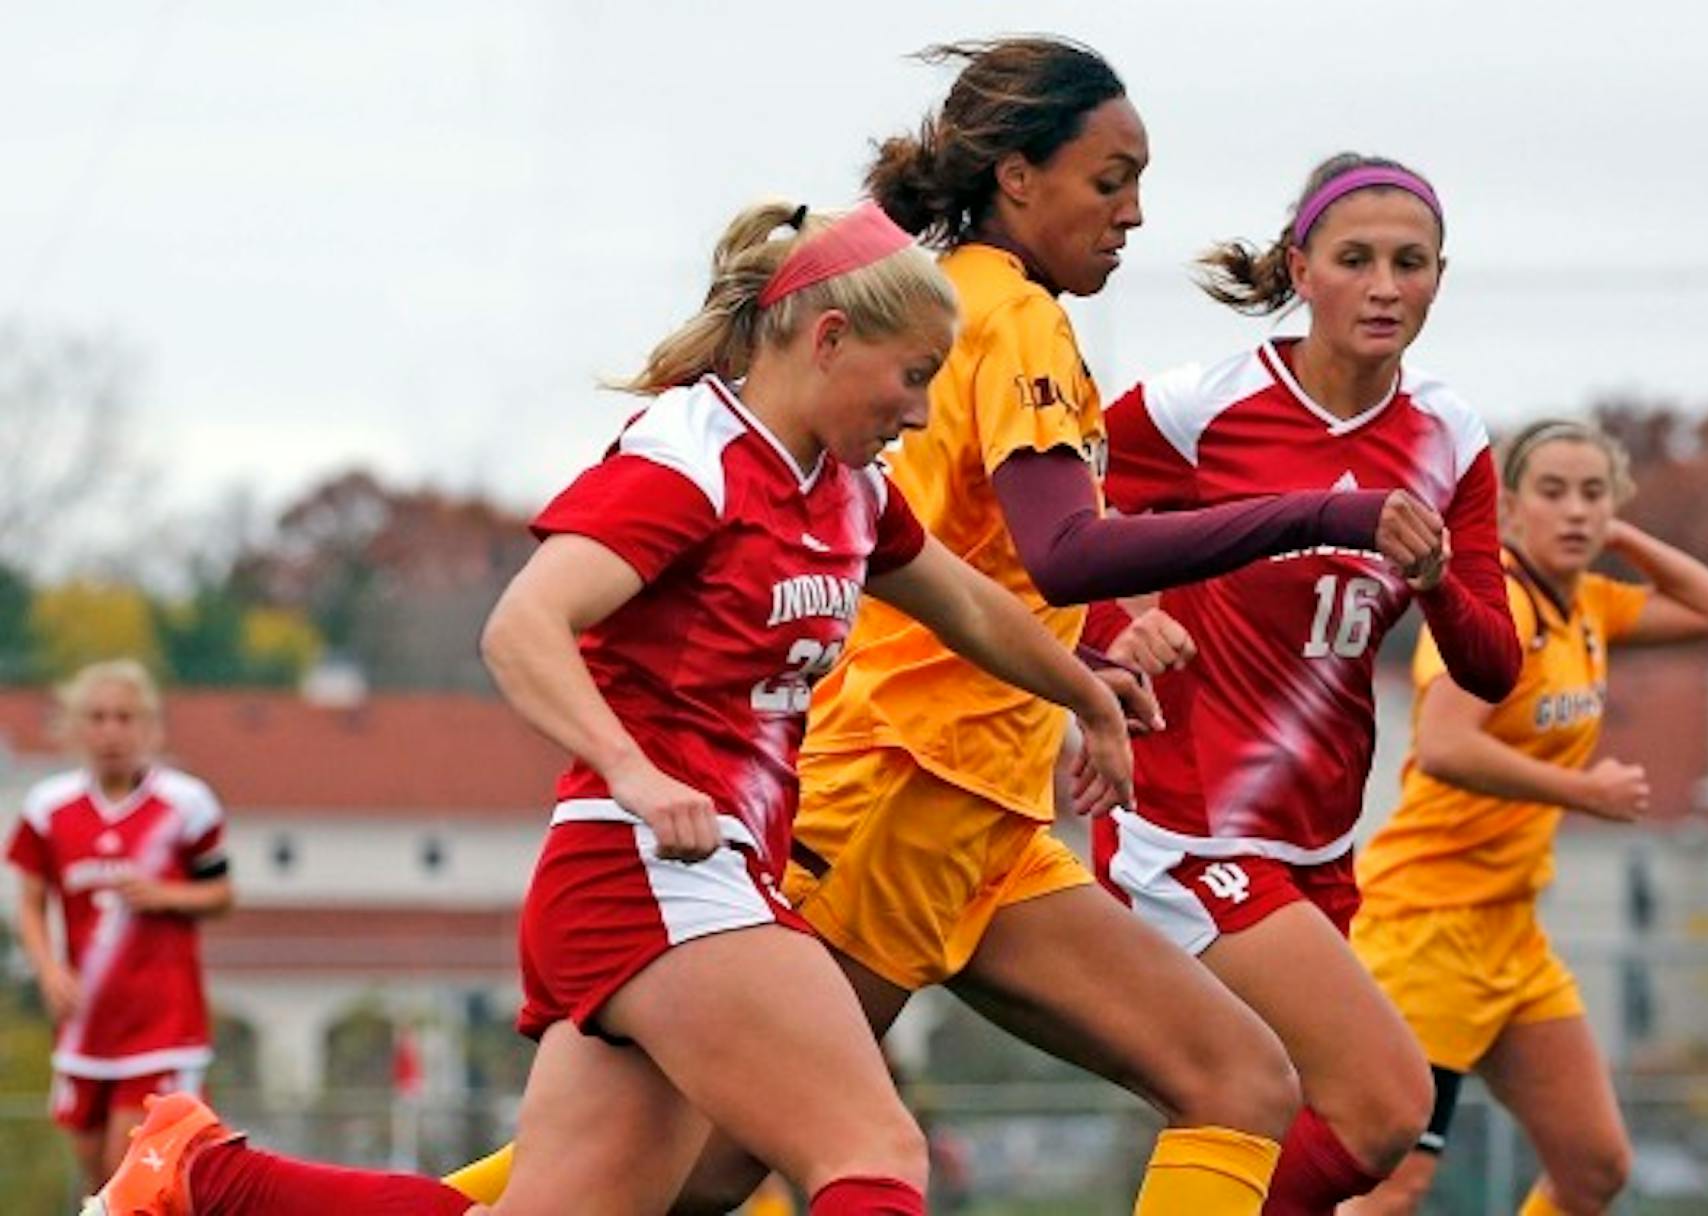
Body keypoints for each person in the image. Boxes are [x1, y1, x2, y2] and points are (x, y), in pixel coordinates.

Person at [447, 38, 1454, 1216]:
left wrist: (1083, 674)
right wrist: (1318, 520)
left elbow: (969, 568)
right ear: (1018, 176)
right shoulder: (1003, 316)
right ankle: (226, 1183)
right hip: (903, 790)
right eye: (1111, 179)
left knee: (1237, 1079)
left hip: (988, 807)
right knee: (680, 1177)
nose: (1135, 214)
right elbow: (1059, 550)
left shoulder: (945, 306)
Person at [88, 196, 1148, 1216]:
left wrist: (1084, 697)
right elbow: (521, 628)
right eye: (912, 377)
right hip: (650, 872)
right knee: (872, 1149)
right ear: (827, 339)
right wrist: (636, 772)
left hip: (684, 879)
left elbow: (969, 604)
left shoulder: (847, 487)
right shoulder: (690, 459)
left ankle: (200, 1177)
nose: (919, 409)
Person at [1086, 152, 1521, 1215]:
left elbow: (1494, 665)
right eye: (1357, 259)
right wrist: (1115, 632)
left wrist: (1437, 585)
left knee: (1279, 1121)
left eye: (1410, 263)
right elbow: (1047, 526)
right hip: (1189, 830)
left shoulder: (1449, 435)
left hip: (1318, 840)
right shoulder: (1204, 406)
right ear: (1302, 270)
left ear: (1440, 279)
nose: (1385, 286)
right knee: (1384, 1106)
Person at [1345, 418, 1708, 1216]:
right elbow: (1445, 747)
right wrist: (1584, 793)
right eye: (1553, 493)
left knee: (1593, 1168)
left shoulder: (1589, 602)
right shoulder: (1495, 607)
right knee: (1393, 1188)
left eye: (1593, 495)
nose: (1574, 512)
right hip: (1425, 928)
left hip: (1512, 936)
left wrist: (1617, 534)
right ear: (1509, 509)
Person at [6, 659, 232, 1196]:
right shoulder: (49, 809)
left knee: (131, 1170)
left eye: (125, 718)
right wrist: (46, 969)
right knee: (96, 1176)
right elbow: (30, 903)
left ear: (149, 726)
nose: (111, 731)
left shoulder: (186, 805)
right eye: (99, 718)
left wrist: (166, 895)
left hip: (163, 1023)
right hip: (85, 1024)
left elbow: (221, 894)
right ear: (76, 727)